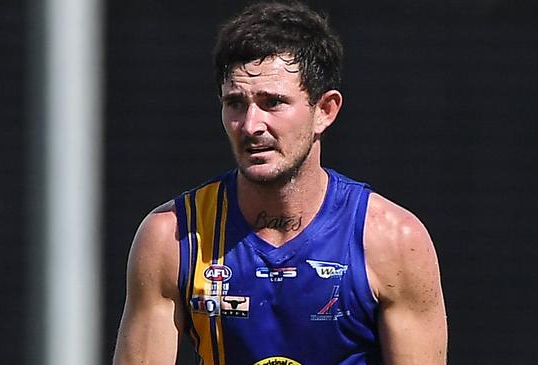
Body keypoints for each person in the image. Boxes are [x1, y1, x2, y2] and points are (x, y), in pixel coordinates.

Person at [113, 1, 447, 364]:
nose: (252, 125)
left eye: (273, 102)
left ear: (325, 110)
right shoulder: (173, 237)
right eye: (236, 103)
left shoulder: (392, 240)